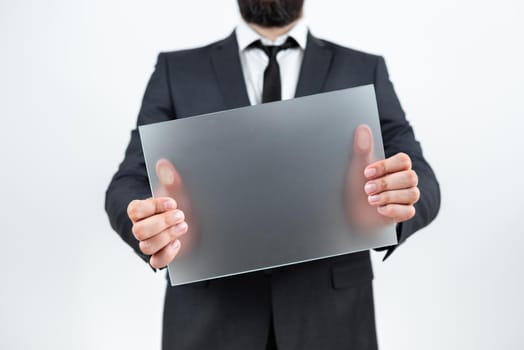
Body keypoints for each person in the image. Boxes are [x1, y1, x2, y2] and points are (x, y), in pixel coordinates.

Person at [105, 1, 441, 349]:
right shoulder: (177, 70)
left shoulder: (363, 68)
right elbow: (129, 182)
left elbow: (421, 177)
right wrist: (149, 223)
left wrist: (394, 201)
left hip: (331, 323)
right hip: (210, 322)